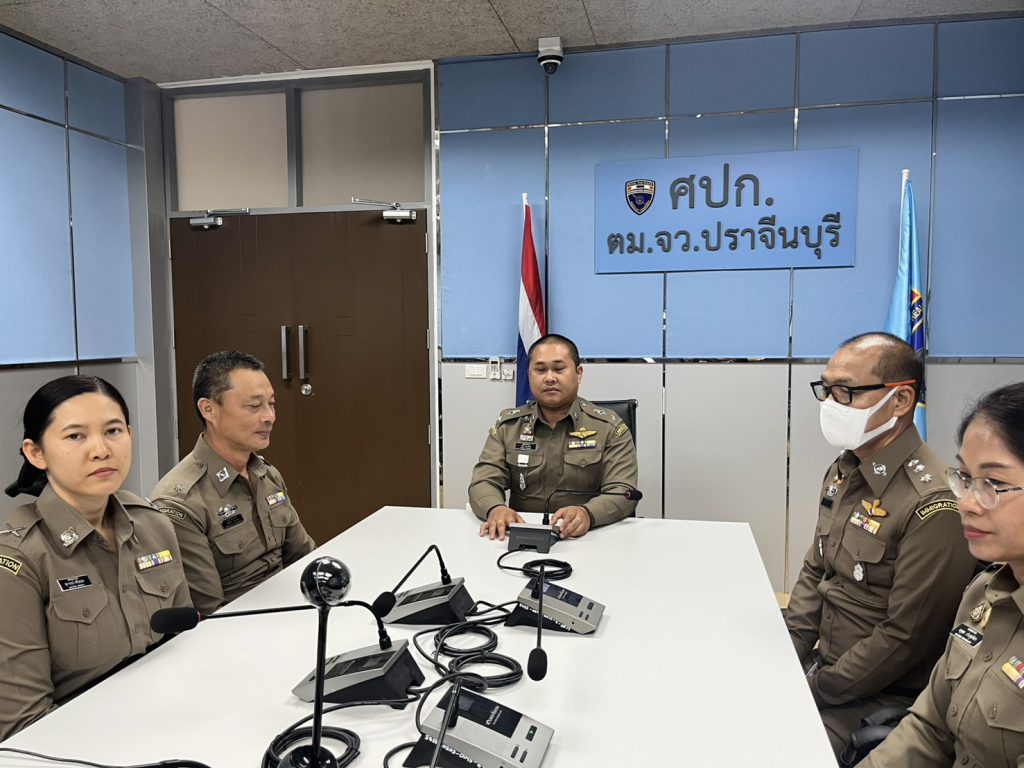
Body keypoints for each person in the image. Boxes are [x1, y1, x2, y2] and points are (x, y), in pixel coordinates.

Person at [786, 332, 977, 757]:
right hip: (822, 664)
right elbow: (816, 570)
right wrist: (785, 656)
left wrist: (813, 689)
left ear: (901, 400)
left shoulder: (933, 503)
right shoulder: (845, 470)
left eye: (845, 391)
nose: (830, 404)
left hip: (875, 696)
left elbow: (903, 638)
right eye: (826, 389)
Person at [0, 376, 190, 740]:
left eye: (113, 431)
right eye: (76, 436)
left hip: (171, 719)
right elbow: (24, 726)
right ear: (36, 453)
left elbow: (183, 645)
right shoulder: (20, 560)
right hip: (84, 743)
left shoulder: (153, 525)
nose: (101, 450)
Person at [858, 382, 1024, 766]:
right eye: (964, 478)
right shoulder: (983, 594)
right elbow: (930, 727)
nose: (965, 503)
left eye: (994, 484)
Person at [149, 351, 315, 614]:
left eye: (272, 404)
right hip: (240, 626)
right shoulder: (181, 503)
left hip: (295, 607)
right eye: (254, 406)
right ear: (209, 410)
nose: (269, 417)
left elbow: (305, 557)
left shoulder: (266, 474)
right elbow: (211, 611)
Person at [469, 334, 639, 540]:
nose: (549, 378)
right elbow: (483, 481)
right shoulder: (509, 426)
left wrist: (588, 514)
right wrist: (495, 508)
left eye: (559, 369)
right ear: (529, 375)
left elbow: (623, 491)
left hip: (588, 537)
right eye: (540, 370)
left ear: (578, 374)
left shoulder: (609, 427)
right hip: (522, 535)